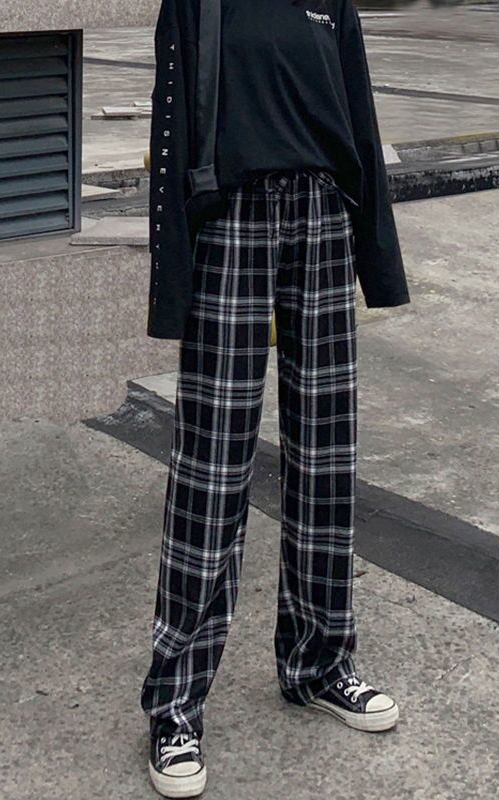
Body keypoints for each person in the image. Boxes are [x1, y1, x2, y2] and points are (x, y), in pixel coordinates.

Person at [140, 0, 412, 796]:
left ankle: (319, 662)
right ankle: (176, 704)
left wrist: (380, 265)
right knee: (212, 468)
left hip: (324, 218)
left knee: (326, 456)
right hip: (230, 222)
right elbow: (170, 134)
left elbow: (360, 123)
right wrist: (171, 286)